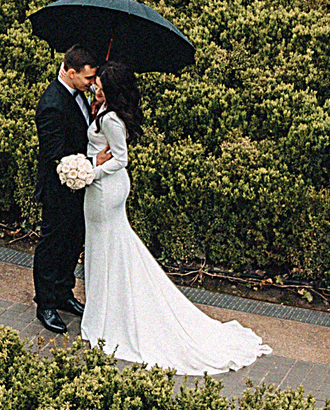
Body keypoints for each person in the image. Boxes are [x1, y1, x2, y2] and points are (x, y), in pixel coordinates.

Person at [77, 61, 271, 375]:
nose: (94, 86)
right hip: (103, 189)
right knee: (107, 249)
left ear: (111, 89)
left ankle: (108, 317)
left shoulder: (112, 118)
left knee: (106, 248)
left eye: (99, 83)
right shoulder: (105, 111)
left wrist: (91, 171)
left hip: (104, 190)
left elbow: (121, 159)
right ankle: (107, 310)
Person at [33, 45, 98, 334]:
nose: (92, 83)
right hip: (59, 190)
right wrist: (91, 164)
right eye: (87, 78)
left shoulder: (80, 95)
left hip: (79, 188)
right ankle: (45, 303)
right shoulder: (51, 104)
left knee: (73, 242)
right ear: (71, 73)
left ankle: (63, 293)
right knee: (52, 245)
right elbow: (55, 154)